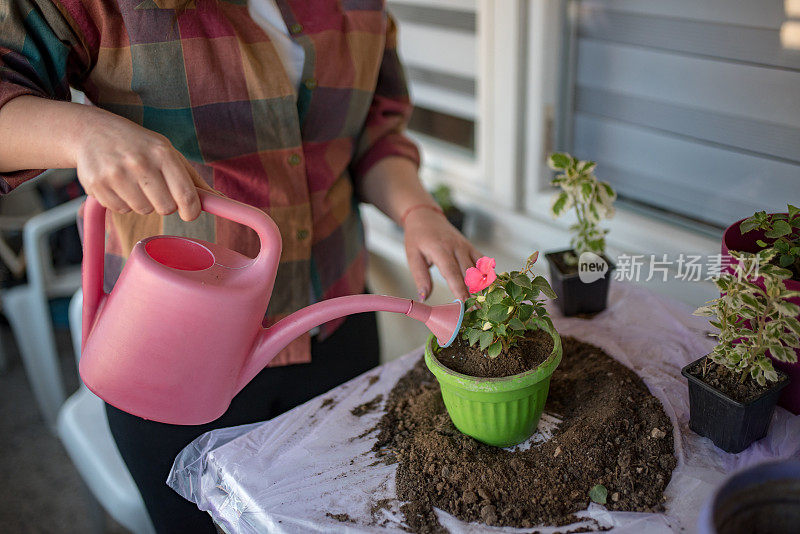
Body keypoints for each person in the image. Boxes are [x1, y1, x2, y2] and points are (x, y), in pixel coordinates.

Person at [0, 0, 479, 531]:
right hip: (173, 354)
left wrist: (418, 211)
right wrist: (83, 133)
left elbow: (372, 134)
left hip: (336, 328)